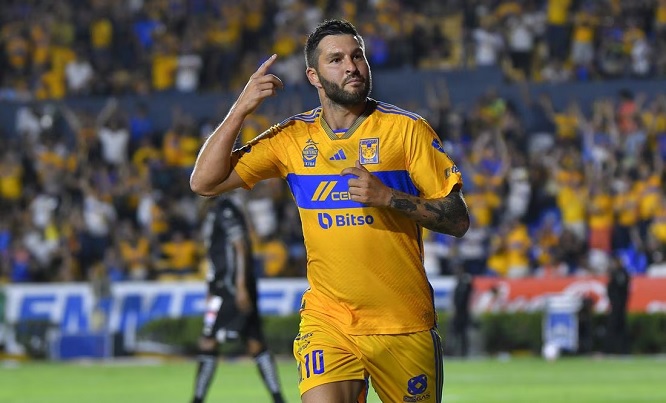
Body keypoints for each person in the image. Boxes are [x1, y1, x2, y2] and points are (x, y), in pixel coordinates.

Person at [190, 19, 470, 403]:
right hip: (328, 321)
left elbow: (458, 218)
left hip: (402, 323)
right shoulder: (292, 138)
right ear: (314, 76)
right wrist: (240, 109)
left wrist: (388, 197)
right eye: (336, 60)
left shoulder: (406, 130)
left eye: (357, 56)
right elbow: (204, 182)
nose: (351, 66)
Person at [190, 192, 286, 403]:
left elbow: (240, 245)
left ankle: (196, 400)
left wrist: (240, 285)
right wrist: (211, 286)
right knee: (255, 343)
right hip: (225, 286)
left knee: (208, 342)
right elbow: (217, 254)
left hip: (230, 287)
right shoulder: (218, 210)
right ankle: (279, 400)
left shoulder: (225, 209)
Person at [604, 255, 631, 355]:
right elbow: (610, 290)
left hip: (620, 306)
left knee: (620, 328)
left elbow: (624, 289)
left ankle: (622, 350)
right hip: (616, 305)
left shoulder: (622, 273)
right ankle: (610, 349)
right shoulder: (615, 273)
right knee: (614, 327)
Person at [450, 265, 474, 357]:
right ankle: (456, 351)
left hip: (463, 312)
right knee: (457, 333)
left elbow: (463, 298)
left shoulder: (465, 282)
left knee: (463, 333)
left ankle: (463, 352)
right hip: (459, 311)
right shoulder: (459, 282)